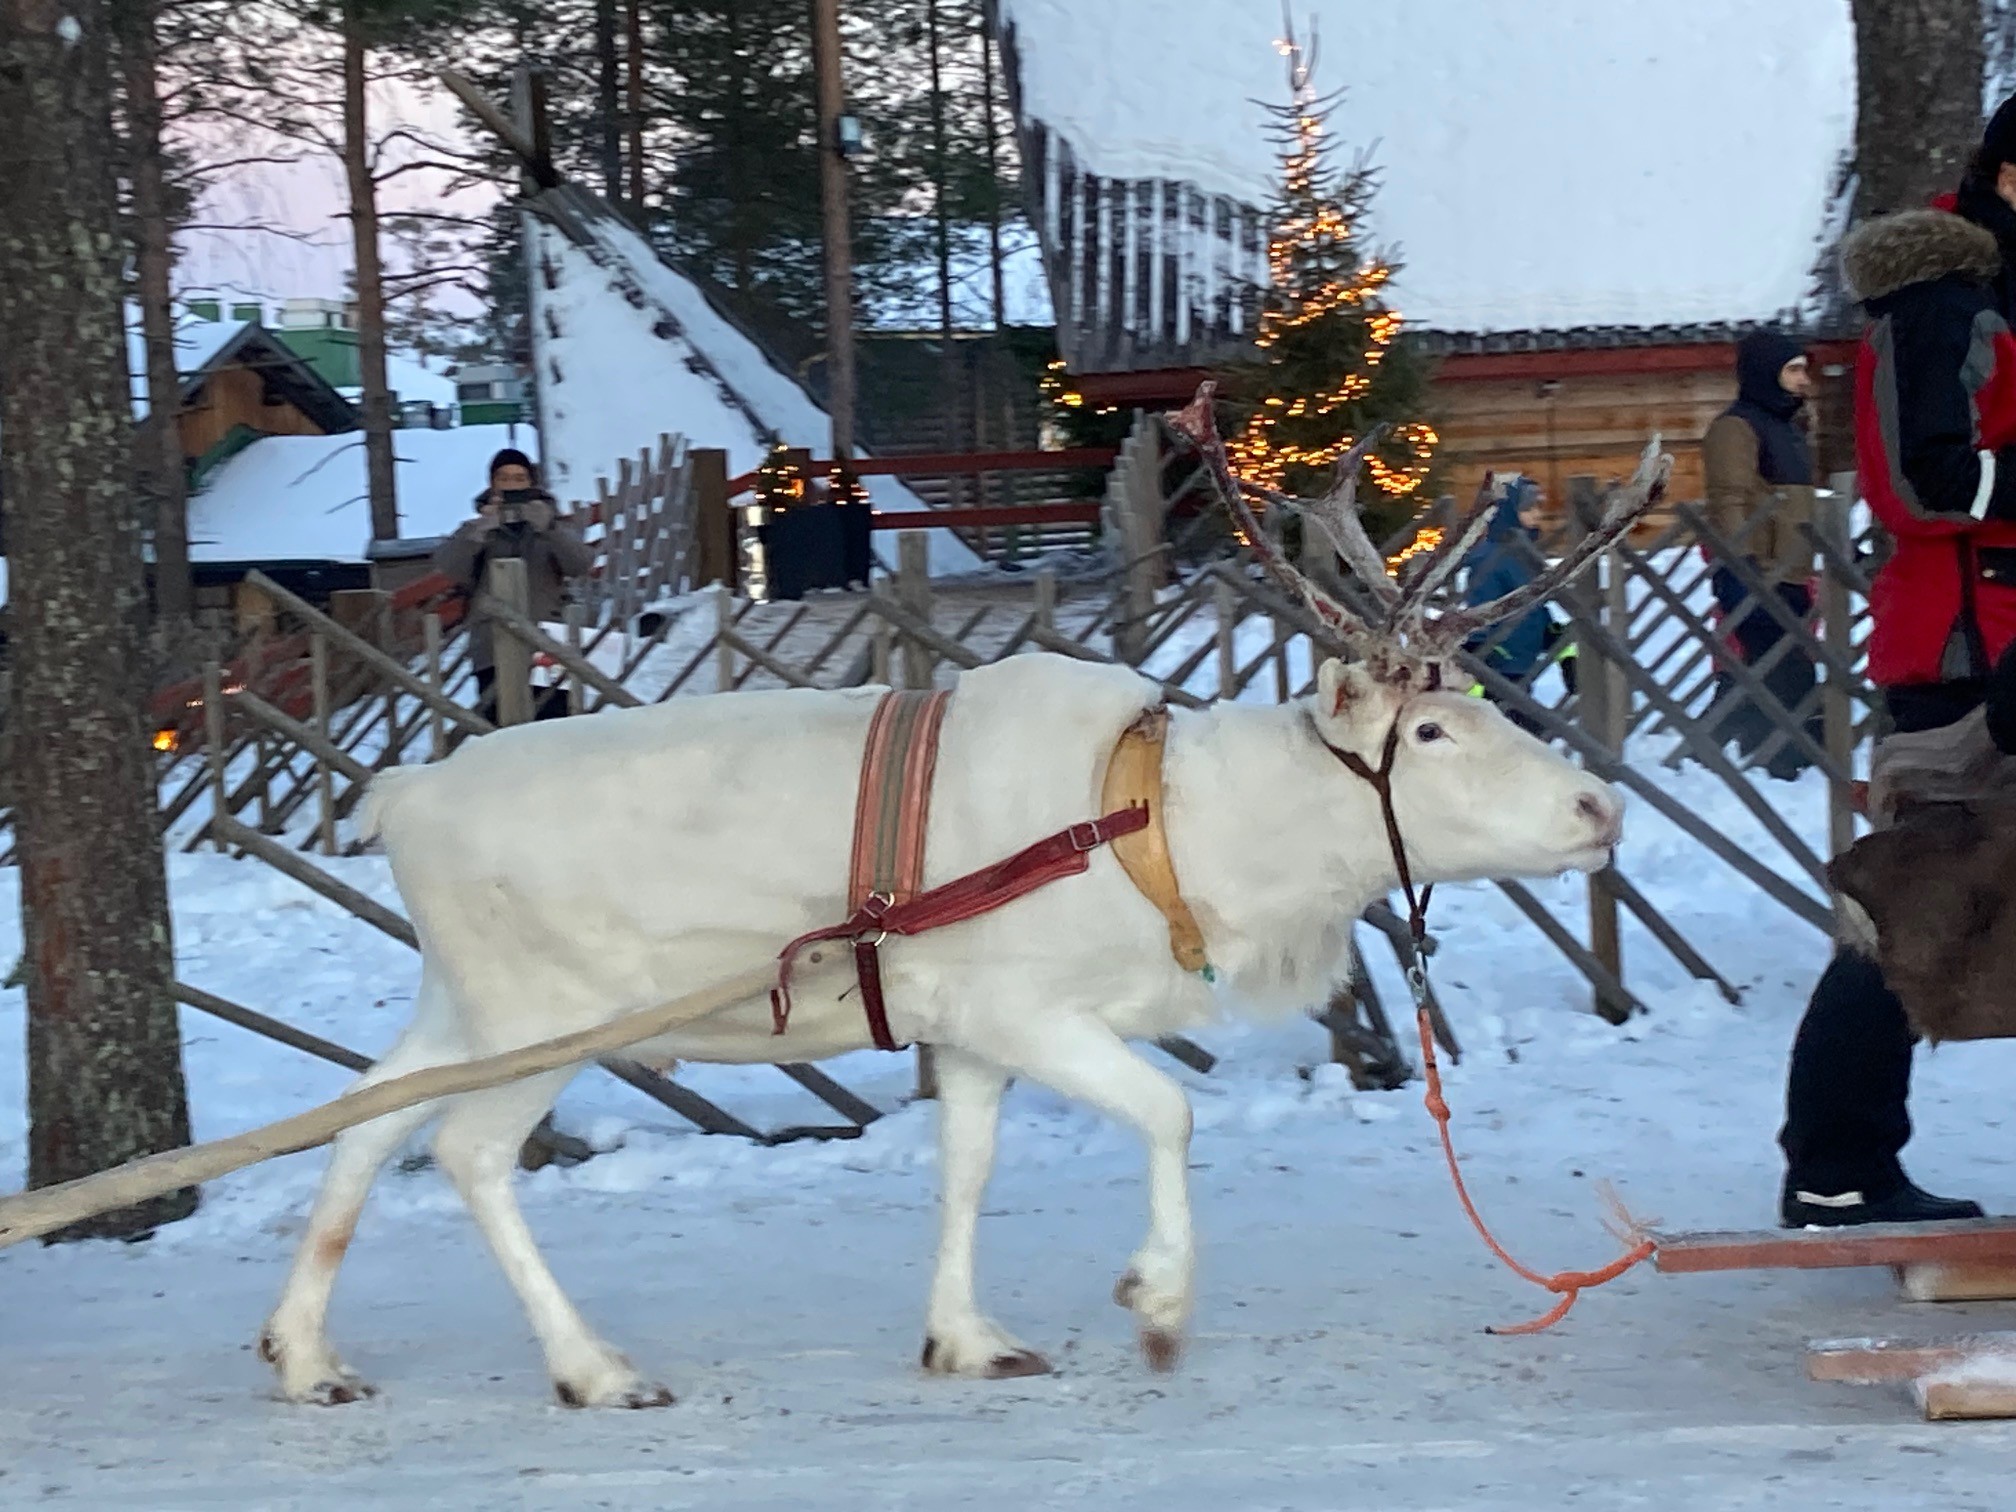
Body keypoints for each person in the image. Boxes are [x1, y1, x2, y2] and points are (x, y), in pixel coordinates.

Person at [1774, 96, 2016, 1228]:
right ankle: (1837, 1161)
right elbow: (1923, 484)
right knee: (1910, 909)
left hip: (1987, 647)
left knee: (1923, 910)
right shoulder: (1945, 303)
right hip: (1972, 662)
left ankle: (1839, 1158)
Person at [1701, 330, 1822, 781]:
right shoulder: (1737, 427)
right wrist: (1741, 563)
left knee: (1764, 666)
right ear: (1765, 373)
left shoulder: (1787, 429)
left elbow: (1797, 504)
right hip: (1760, 570)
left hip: (1790, 570)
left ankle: (1718, 746)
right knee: (1782, 669)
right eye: (1792, 369)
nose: (1802, 379)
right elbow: (1729, 498)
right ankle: (1785, 759)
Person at [433, 448, 593, 724]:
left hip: (547, 645)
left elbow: (580, 564)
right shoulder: (477, 528)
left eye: (519, 478)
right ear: (492, 484)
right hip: (492, 647)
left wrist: (549, 529)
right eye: (503, 478)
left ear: (531, 483)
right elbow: (449, 567)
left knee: (554, 726)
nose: (511, 485)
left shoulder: (551, 525)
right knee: (502, 731)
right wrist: (481, 530)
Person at [1461, 477, 1575, 732]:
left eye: (1537, 508)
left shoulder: (1524, 556)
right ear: (1508, 512)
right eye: (1528, 508)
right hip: (1498, 669)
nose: (1537, 515)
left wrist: (1562, 648)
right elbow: (1481, 610)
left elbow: (1534, 610)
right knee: (1521, 736)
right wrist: (1484, 656)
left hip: (1520, 666)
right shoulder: (1490, 560)